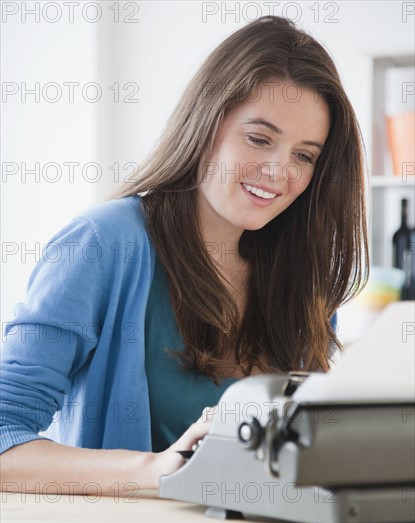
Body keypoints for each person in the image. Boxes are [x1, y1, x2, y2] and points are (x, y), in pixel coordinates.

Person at [0, 16, 368, 495]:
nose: (279, 170)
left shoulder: (302, 276)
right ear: (206, 122)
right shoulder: (103, 243)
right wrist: (156, 470)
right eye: (259, 139)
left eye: (304, 155)